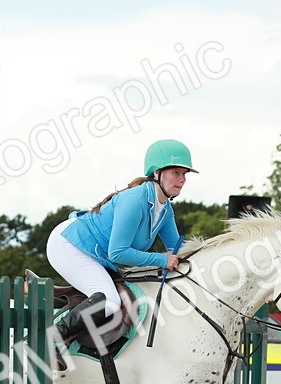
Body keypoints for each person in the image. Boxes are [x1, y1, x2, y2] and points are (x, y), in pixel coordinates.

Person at [45, 138, 194, 367]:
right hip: (69, 245)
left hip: (92, 252)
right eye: (176, 172)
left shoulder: (164, 210)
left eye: (185, 174)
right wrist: (162, 259)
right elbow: (118, 253)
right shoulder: (135, 200)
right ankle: (48, 341)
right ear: (156, 174)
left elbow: (178, 249)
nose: (182, 180)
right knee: (109, 301)